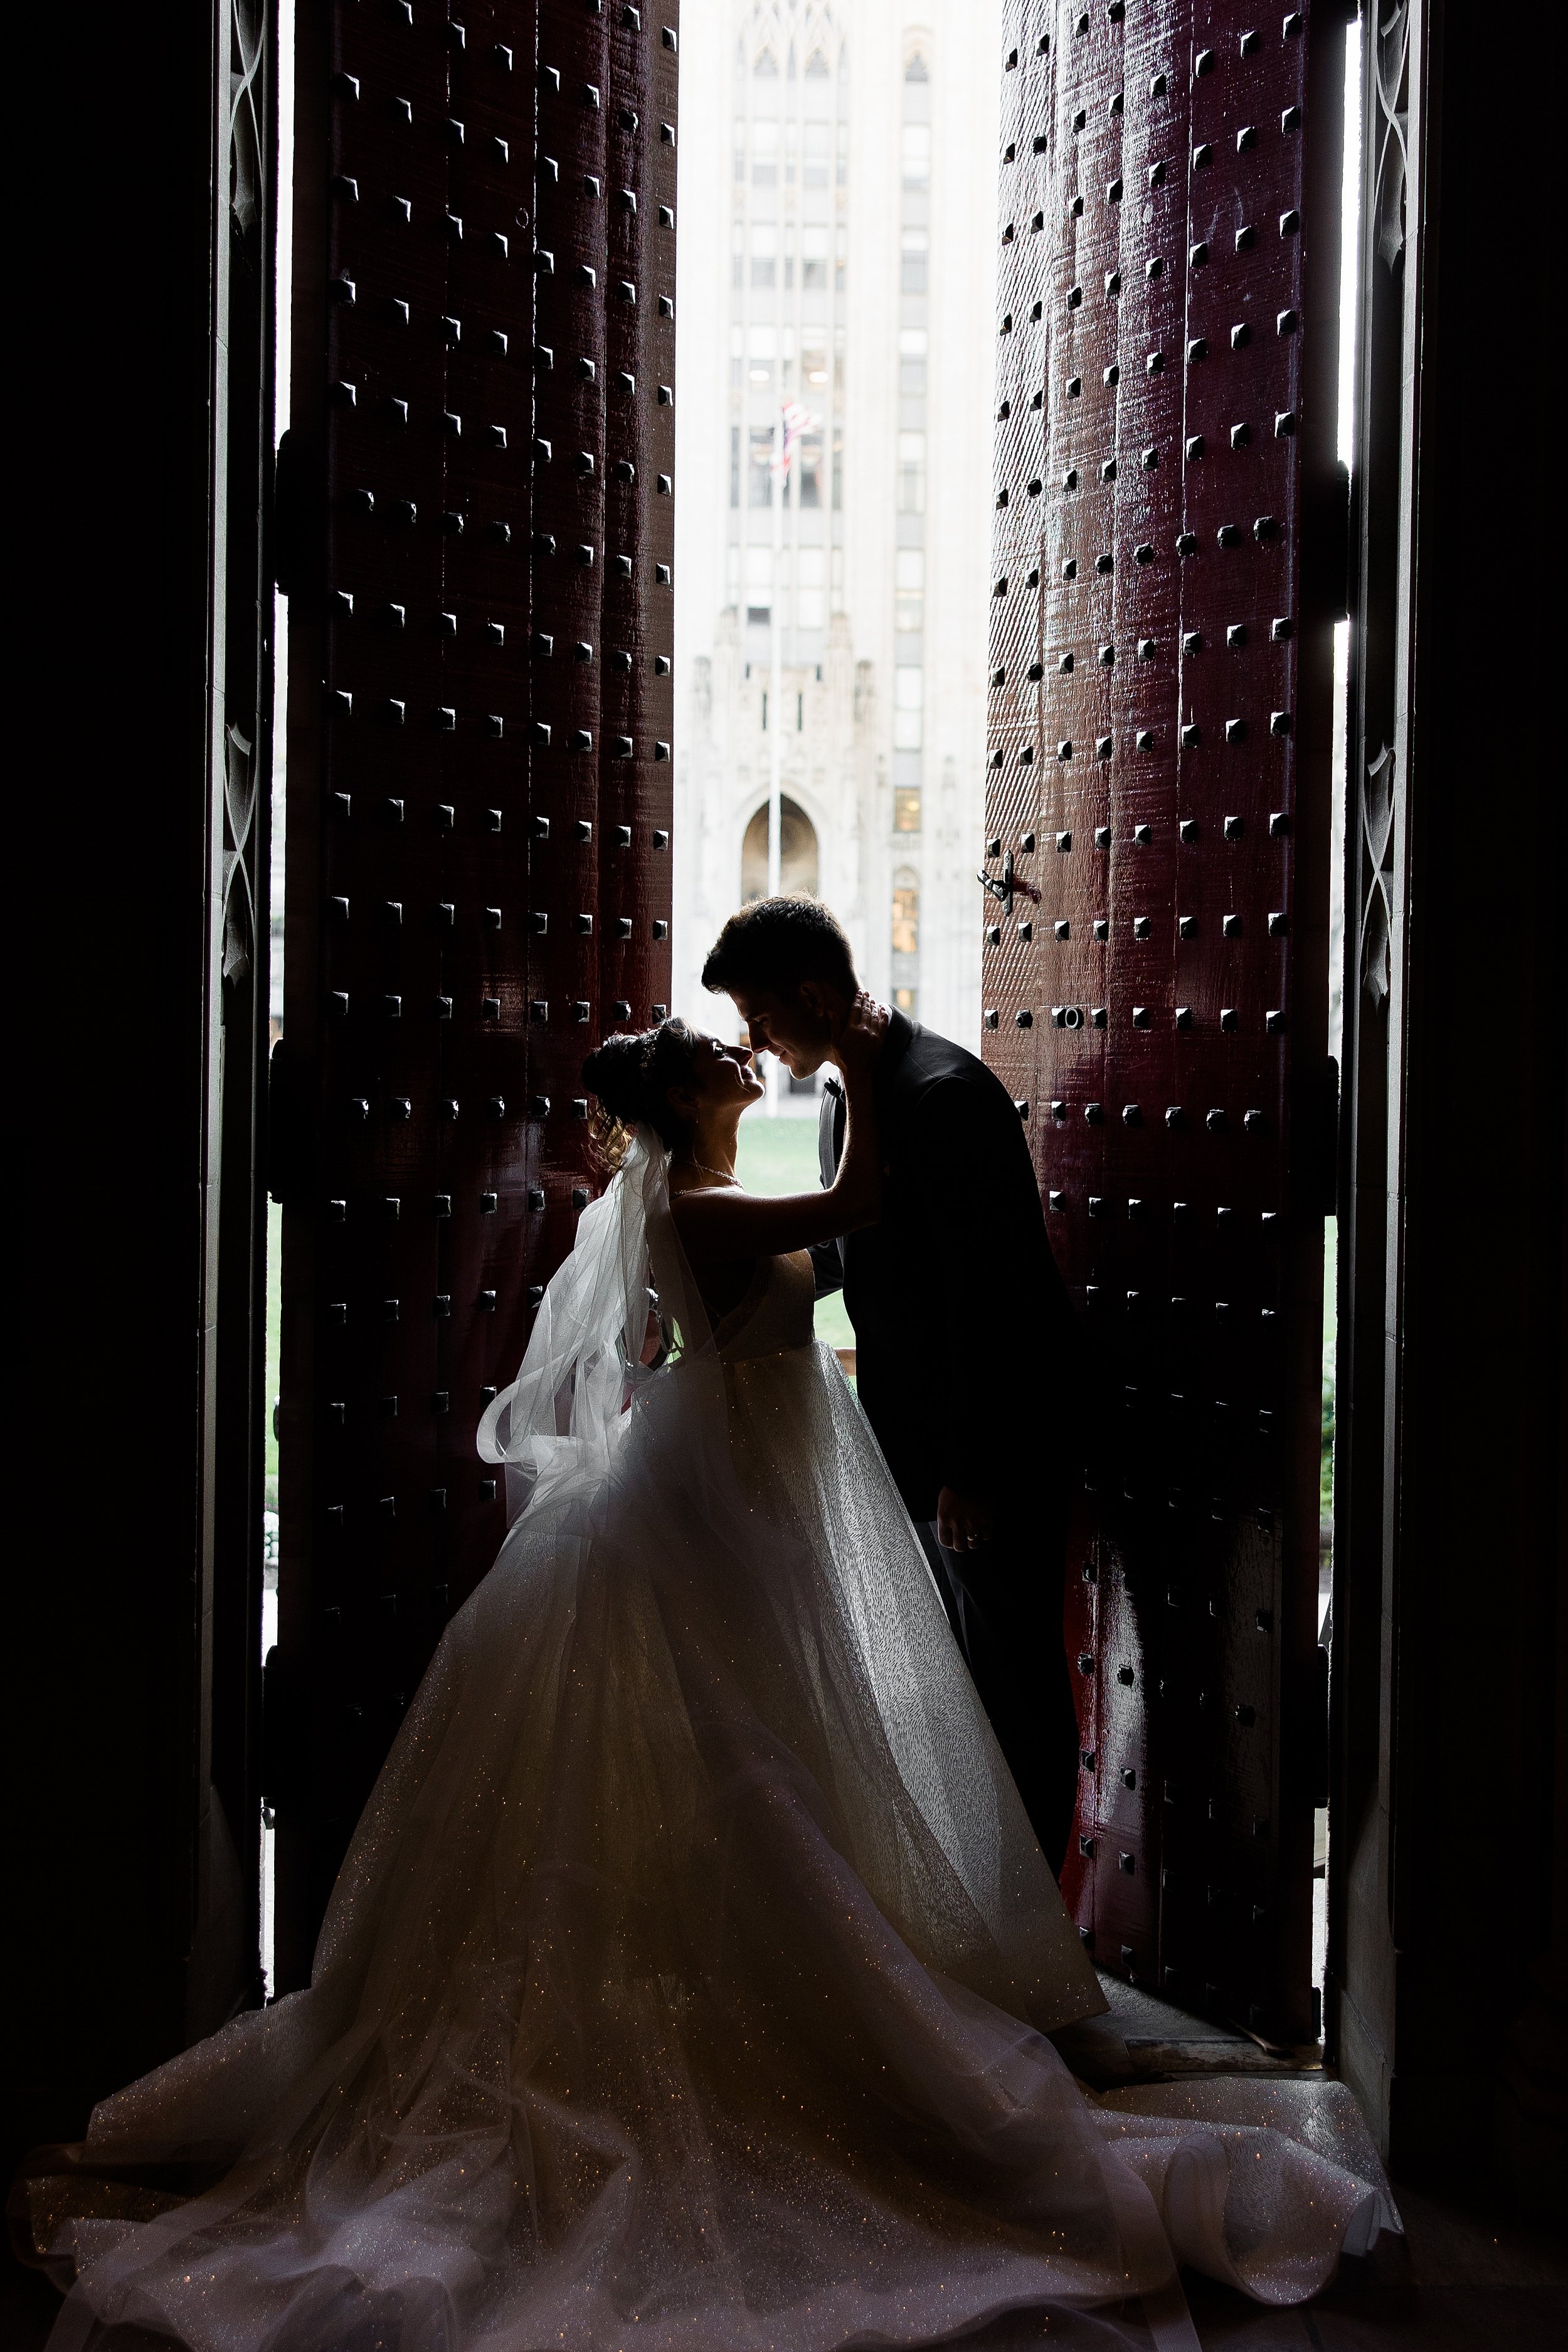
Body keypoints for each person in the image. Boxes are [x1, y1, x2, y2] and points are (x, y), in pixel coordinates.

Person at [16, 1013, 1395, 2352]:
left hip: (747, 1480)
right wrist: (857, 1049)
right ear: (683, 1103)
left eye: (743, 1042)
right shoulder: (703, 1202)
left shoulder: (707, 1193)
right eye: (718, 1054)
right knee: (739, 1750)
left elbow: (732, 1310)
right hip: (723, 1492)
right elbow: (855, 1193)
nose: (745, 1057)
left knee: (778, 1742)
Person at [702, 896, 1082, 1873]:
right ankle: (1002, 1911)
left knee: (1015, 1686)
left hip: (983, 1461)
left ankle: (1041, 1930)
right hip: (923, 1449)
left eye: (759, 1015)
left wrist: (972, 1468)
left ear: (816, 994)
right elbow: (855, 1247)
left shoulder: (938, 1092)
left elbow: (992, 1300)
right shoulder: (855, 1092)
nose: (753, 1039)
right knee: (970, 1683)